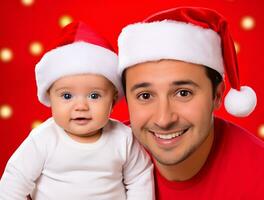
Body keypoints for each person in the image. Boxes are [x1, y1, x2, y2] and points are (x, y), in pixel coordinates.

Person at [117, 7, 264, 199]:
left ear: (217, 96)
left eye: (183, 93)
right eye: (145, 96)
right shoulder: (101, 156)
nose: (163, 119)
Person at [0, 21, 154, 200]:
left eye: (94, 96)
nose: (81, 106)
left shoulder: (123, 138)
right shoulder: (43, 139)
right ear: (50, 98)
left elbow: (139, 178)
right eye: (67, 96)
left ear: (112, 100)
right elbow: (13, 183)